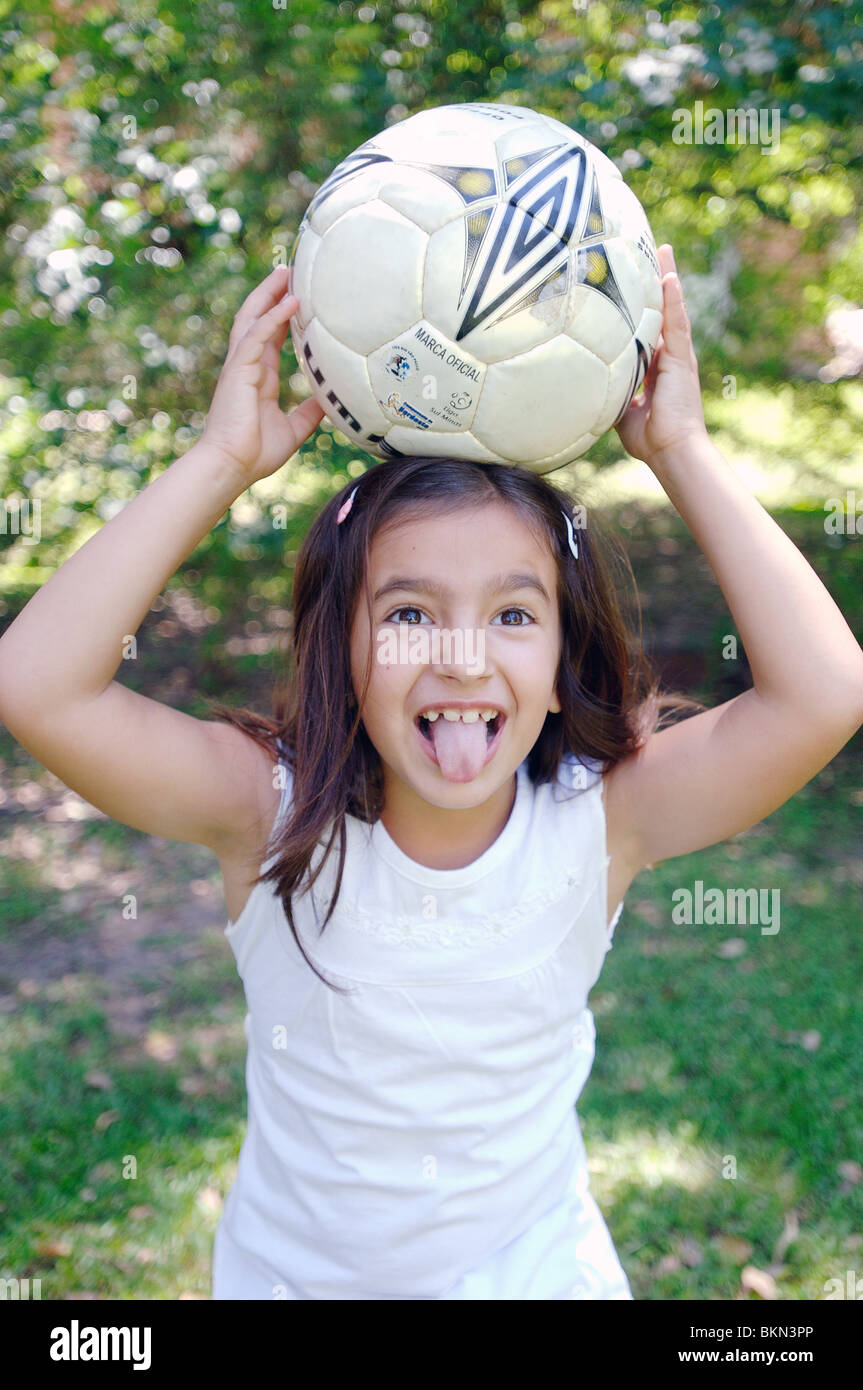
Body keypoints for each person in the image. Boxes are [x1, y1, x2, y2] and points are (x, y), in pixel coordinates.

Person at [1, 246, 861, 1300]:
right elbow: (37, 685)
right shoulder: (264, 813)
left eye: (511, 613)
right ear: (343, 653)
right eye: (407, 613)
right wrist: (222, 459)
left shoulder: (603, 820)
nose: (461, 655)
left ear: (556, 665)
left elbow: (823, 694)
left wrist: (678, 447)